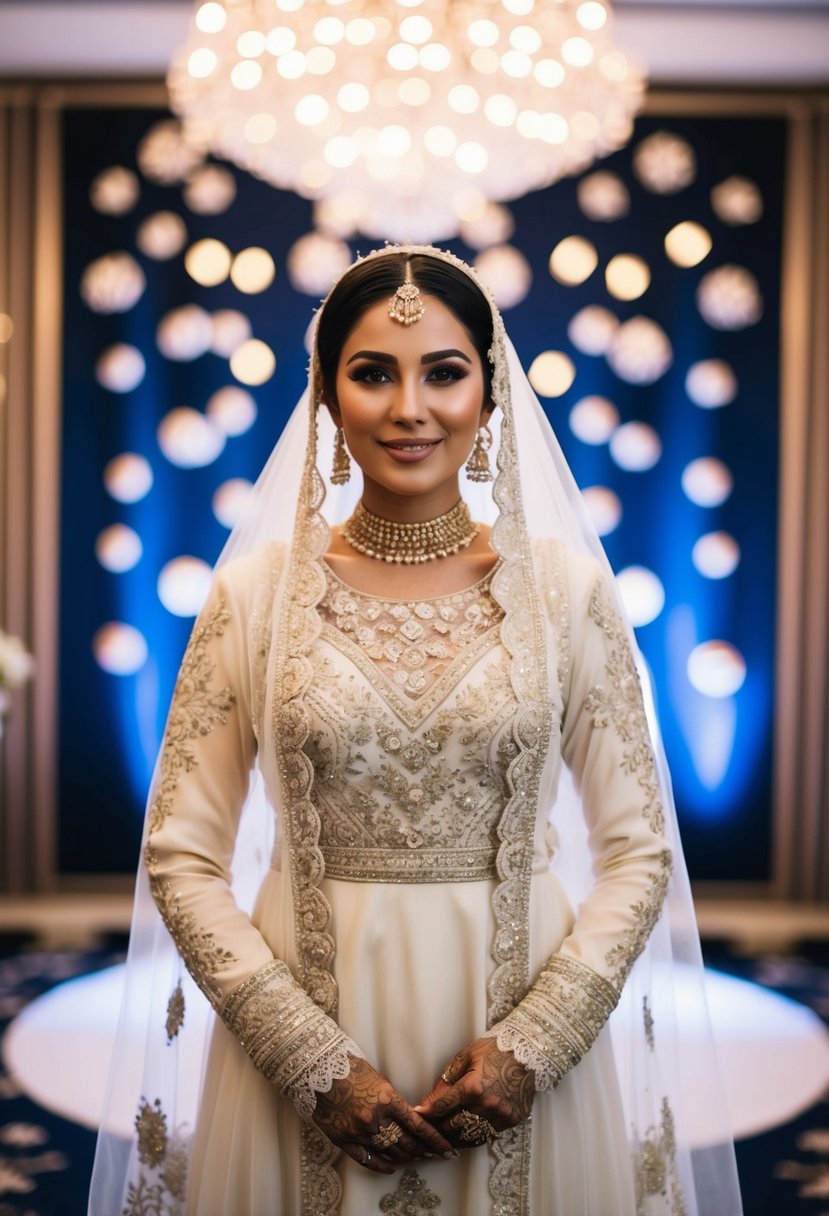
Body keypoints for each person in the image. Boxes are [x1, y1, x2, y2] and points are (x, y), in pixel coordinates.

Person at [89, 245, 743, 1215]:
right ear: (323, 393)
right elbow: (182, 857)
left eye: (444, 372)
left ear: (487, 391)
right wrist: (304, 1057)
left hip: (519, 1026)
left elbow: (639, 850)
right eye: (371, 373)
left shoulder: (562, 591)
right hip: (302, 1033)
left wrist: (537, 1044)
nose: (409, 408)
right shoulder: (254, 598)